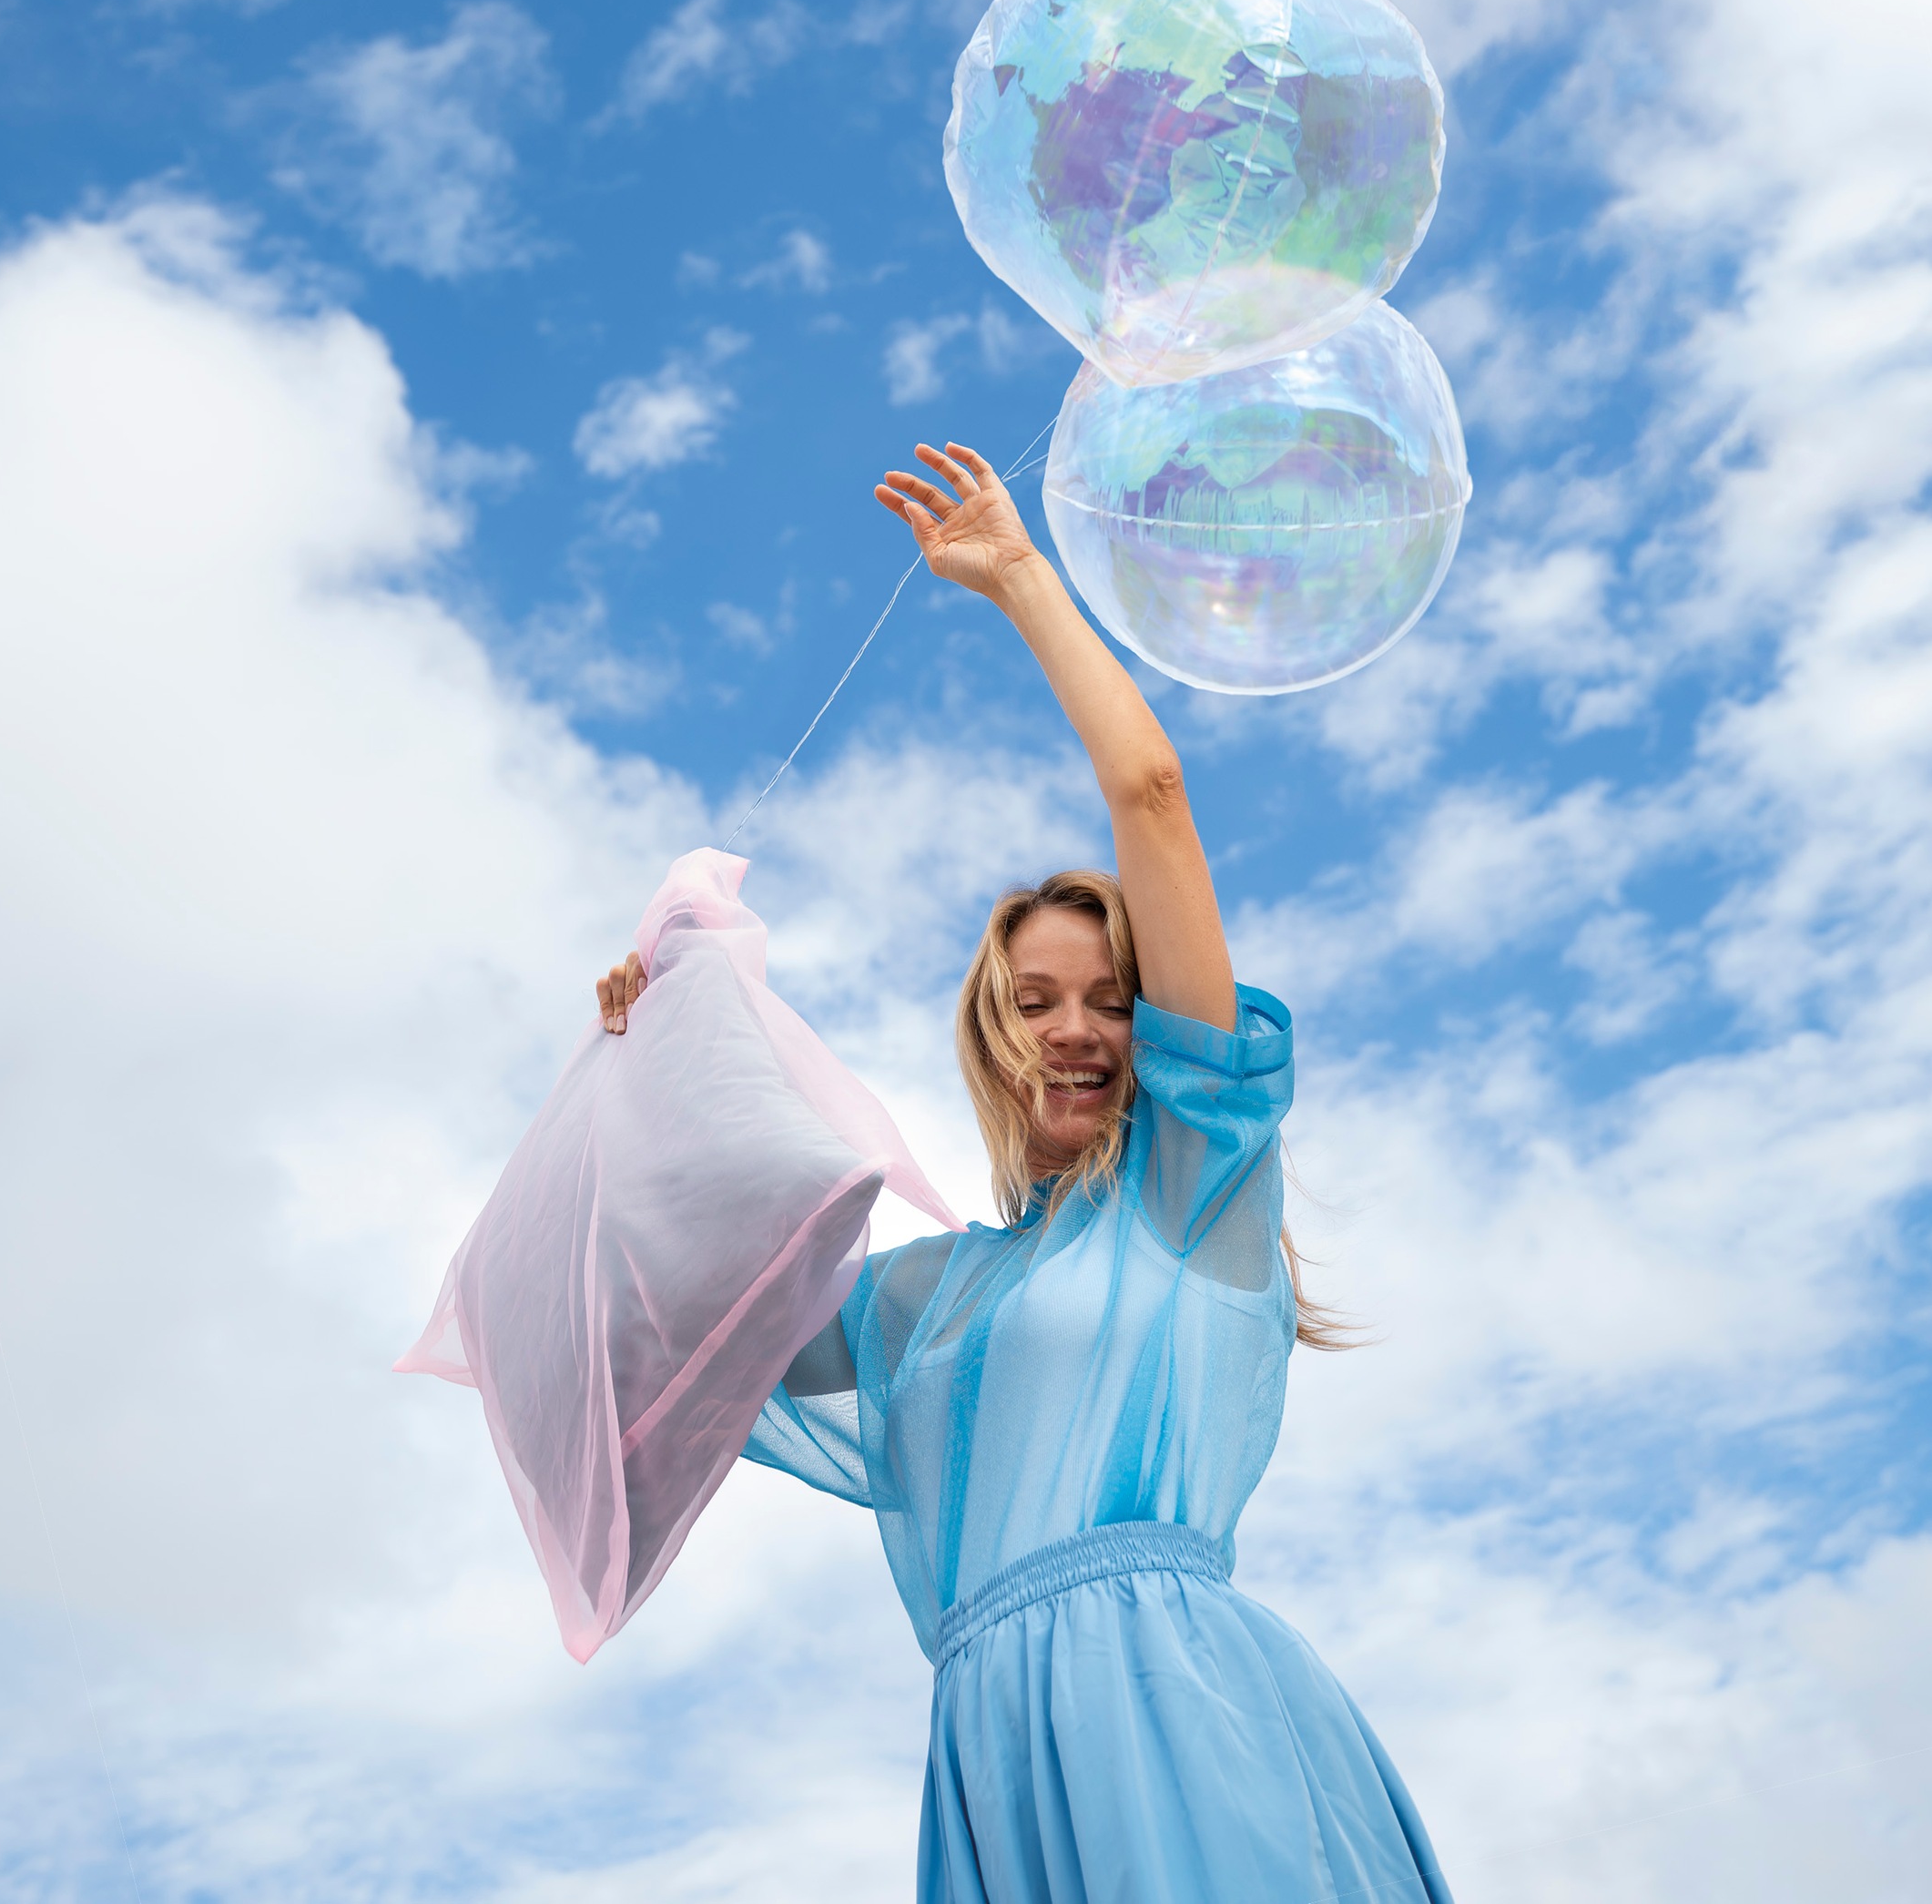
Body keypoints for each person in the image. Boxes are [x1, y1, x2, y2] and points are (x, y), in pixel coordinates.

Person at [594, 441, 1453, 1904]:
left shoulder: (1193, 1186)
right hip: (987, 1740)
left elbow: (1153, 792)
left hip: (1169, 1698)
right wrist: (653, 1049)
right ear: (991, 1037)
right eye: (1036, 1000)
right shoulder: (919, 1297)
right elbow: (667, 1315)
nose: (1077, 1030)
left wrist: (1016, 582)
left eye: (1112, 997)